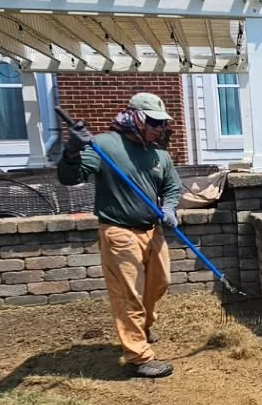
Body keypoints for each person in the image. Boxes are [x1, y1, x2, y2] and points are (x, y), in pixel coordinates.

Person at [59, 92, 183, 378]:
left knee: (160, 283)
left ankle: (143, 328)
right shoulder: (104, 146)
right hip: (120, 231)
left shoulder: (158, 155)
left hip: (153, 231)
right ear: (136, 117)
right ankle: (139, 357)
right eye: (153, 122)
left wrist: (170, 207)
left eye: (162, 123)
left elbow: (171, 187)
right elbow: (70, 177)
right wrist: (72, 151)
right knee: (130, 296)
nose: (158, 128)